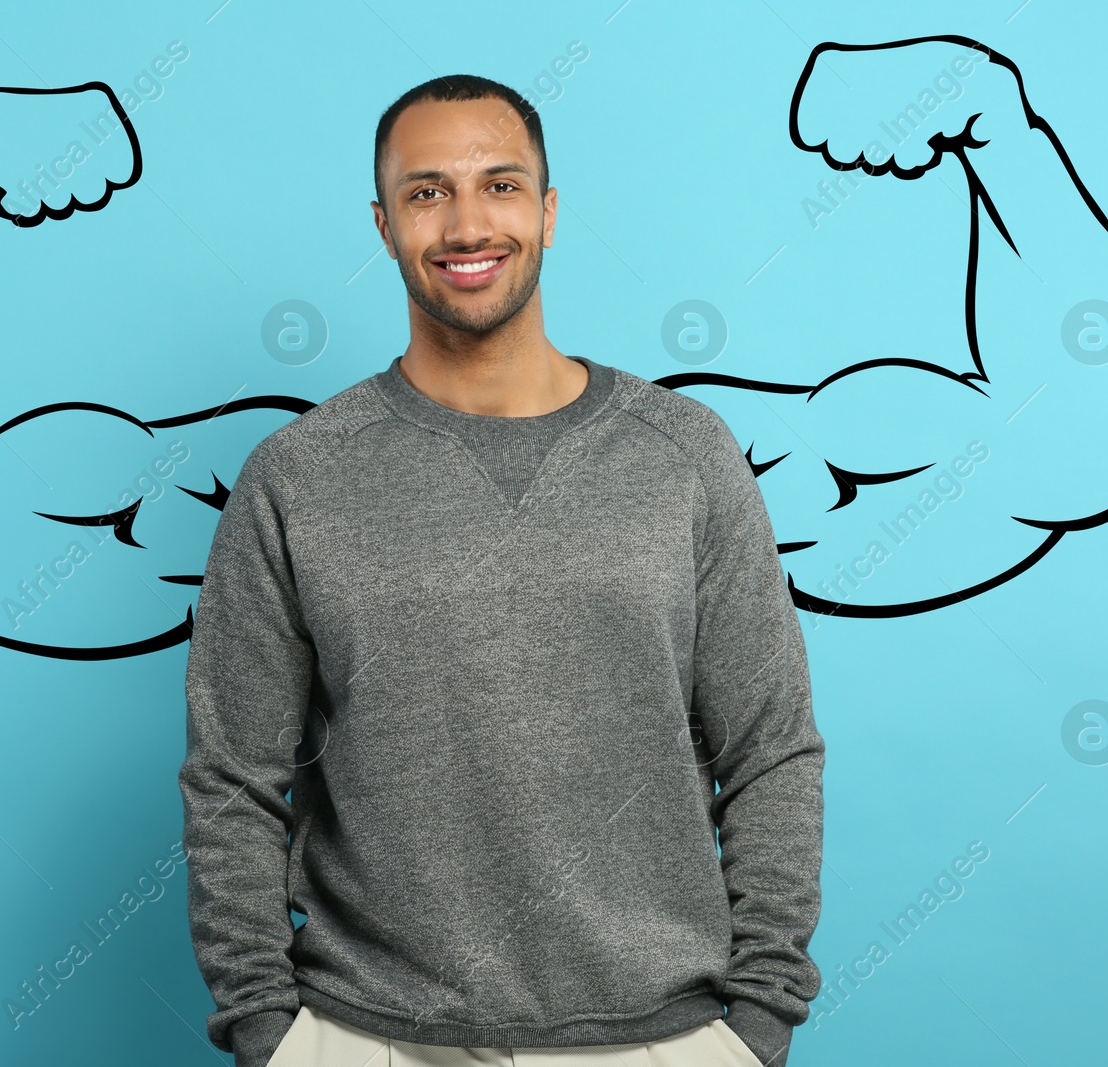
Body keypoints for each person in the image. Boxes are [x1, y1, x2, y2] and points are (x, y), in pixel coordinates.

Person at [179, 74, 823, 1067]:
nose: (466, 223)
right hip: (366, 1033)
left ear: (550, 213)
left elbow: (772, 747)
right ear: (384, 222)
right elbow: (232, 774)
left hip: (665, 1033)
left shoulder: (684, 453)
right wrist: (268, 1029)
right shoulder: (297, 475)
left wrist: (757, 1023)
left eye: (501, 185)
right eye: (427, 191)